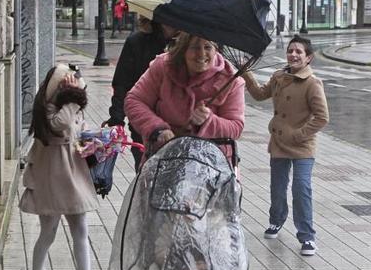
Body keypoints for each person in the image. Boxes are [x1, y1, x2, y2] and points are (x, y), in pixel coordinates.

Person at [20, 64, 103, 270]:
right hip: (52, 174)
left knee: (81, 226)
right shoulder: (49, 107)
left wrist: (94, 138)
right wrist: (73, 98)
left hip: (72, 172)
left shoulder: (69, 105)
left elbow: (77, 128)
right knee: (49, 230)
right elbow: (60, 125)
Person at [243, 35, 329, 256]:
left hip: (302, 145)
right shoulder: (279, 77)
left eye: (299, 52)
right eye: (291, 51)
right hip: (280, 141)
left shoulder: (312, 83)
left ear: (308, 58)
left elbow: (322, 117)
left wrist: (299, 134)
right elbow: (260, 94)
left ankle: (307, 237)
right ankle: (276, 221)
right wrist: (246, 72)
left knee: (301, 189)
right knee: (277, 187)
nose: (293, 54)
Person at [124, 32, 245, 161]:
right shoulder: (163, 67)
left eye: (208, 47)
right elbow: (134, 100)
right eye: (195, 47)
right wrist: (157, 129)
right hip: (163, 158)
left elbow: (235, 127)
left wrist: (208, 120)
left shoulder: (230, 79)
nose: (202, 54)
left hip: (212, 164)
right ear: (183, 49)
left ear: (216, 49)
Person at [104, 16, 178, 170]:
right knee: (146, 170)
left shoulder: (189, 44)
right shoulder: (137, 42)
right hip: (144, 120)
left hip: (178, 123)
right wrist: (117, 119)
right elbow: (122, 82)